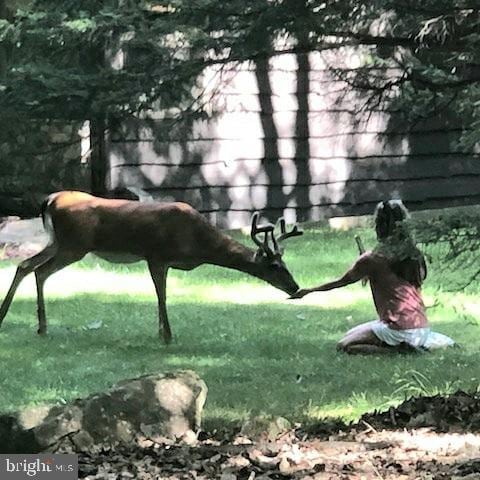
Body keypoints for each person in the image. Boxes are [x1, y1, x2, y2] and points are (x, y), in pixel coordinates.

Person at [291, 200, 455, 354]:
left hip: (397, 328)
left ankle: (399, 350)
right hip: (421, 326)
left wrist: (309, 290)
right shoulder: (413, 254)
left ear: (378, 226)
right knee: (353, 332)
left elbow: (342, 282)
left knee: (346, 345)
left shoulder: (371, 259)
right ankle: (413, 344)